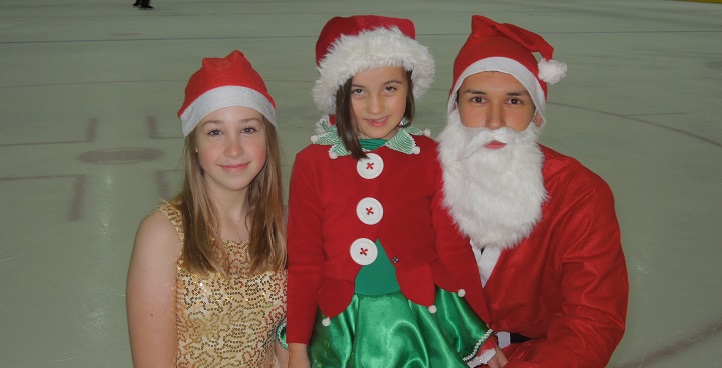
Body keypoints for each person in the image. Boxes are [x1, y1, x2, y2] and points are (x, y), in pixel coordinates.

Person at [285, 15, 501, 368]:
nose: (375, 107)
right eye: (358, 91)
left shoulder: (431, 156)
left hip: (421, 320)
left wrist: (482, 336)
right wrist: (297, 346)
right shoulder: (312, 163)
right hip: (344, 327)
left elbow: (453, 249)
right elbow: (305, 261)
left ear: (409, 88)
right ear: (338, 94)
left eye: (390, 88)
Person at [438, 15, 629, 367]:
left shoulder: (580, 195)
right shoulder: (418, 179)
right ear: (455, 107)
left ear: (537, 116)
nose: (494, 121)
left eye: (514, 101)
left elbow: (592, 321)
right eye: (478, 99)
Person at [126, 50, 288, 367]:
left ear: (267, 137)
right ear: (195, 143)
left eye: (248, 129)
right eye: (215, 131)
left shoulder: (283, 226)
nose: (234, 148)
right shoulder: (164, 235)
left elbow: (289, 344)